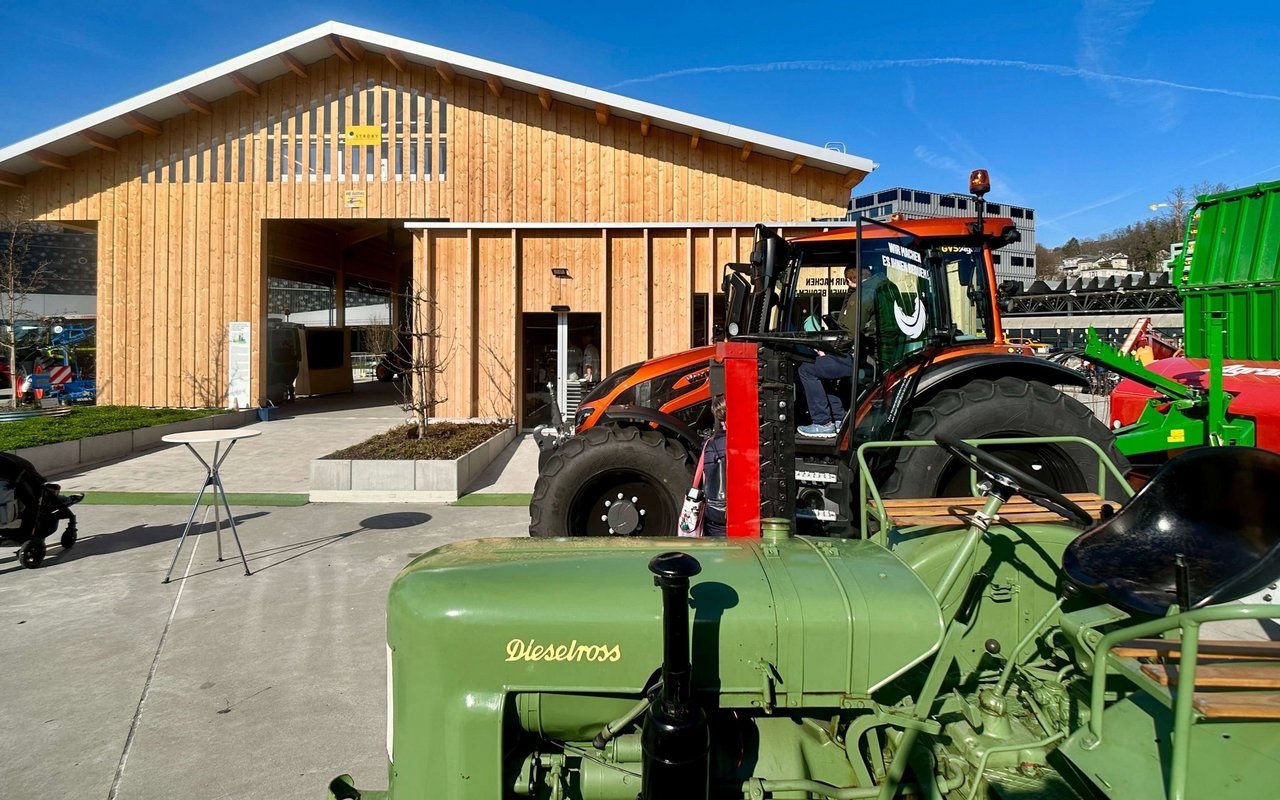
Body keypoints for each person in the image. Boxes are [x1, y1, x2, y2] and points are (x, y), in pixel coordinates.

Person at [796, 264, 882, 438]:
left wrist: (828, 350)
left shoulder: (861, 296)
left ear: (851, 279)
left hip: (854, 356)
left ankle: (822, 423)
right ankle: (838, 418)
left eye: (847, 281)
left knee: (806, 369)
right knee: (823, 371)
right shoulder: (877, 290)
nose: (847, 286)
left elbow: (849, 334)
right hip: (865, 354)